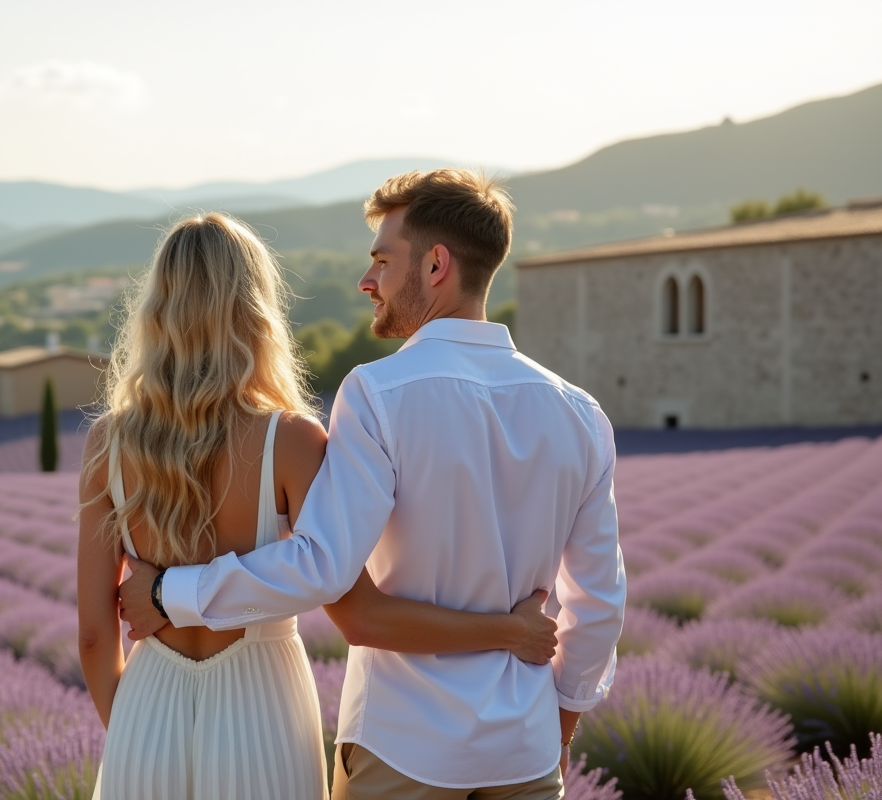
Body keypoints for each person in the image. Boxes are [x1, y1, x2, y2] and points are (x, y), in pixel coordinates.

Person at [120, 169, 626, 800]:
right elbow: (599, 604)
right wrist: (557, 731)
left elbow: (323, 567)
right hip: (525, 755)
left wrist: (169, 592)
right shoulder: (580, 414)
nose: (367, 281)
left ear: (436, 265)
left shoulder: (378, 393)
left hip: (403, 747)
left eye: (383, 262)